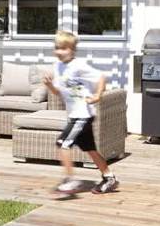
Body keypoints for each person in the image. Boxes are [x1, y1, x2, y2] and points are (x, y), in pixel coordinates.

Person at [43, 30, 119, 194]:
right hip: (75, 116)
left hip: (83, 115)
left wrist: (97, 96)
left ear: (72, 50)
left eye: (63, 48)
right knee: (89, 149)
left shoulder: (79, 66)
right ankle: (109, 177)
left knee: (63, 144)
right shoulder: (57, 67)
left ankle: (70, 180)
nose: (59, 51)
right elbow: (58, 92)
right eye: (57, 48)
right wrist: (49, 86)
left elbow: (101, 77)